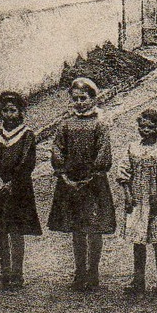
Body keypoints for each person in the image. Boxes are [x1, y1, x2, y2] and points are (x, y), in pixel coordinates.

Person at [47, 77, 117, 291]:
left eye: (83, 98)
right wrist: (63, 173)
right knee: (77, 228)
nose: (79, 102)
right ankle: (79, 272)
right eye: (75, 99)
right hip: (70, 182)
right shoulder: (66, 124)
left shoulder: (100, 124)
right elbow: (57, 149)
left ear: (93, 99)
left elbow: (104, 152)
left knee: (94, 227)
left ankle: (93, 272)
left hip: (93, 183)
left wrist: (92, 175)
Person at [0, 90, 42, 290]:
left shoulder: (27, 134)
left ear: (20, 111)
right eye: (4, 110)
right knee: (0, 229)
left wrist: (12, 181)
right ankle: (4, 271)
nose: (8, 115)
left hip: (18, 188)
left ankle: (17, 272)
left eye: (13, 110)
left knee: (16, 229)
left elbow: (26, 161)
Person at [116, 109, 157, 296]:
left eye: (150, 127)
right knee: (138, 240)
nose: (145, 130)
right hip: (137, 199)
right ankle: (138, 278)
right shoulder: (132, 147)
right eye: (142, 126)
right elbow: (124, 170)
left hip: (155, 199)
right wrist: (127, 193)